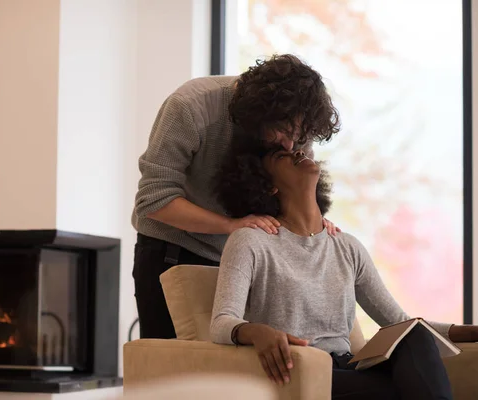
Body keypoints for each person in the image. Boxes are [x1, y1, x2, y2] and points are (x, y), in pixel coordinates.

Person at [210, 134, 478, 399]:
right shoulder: (250, 241)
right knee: (405, 390)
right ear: (268, 185)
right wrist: (258, 331)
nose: (296, 151)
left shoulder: (346, 246)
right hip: (300, 370)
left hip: (348, 366)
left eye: (297, 148)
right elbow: (222, 322)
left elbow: (399, 323)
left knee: (413, 334)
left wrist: (474, 332)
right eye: (280, 156)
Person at [132, 54, 342, 339]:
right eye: (284, 132)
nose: (291, 145)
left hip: (241, 259)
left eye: (300, 136)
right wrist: (231, 226)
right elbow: (153, 200)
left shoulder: (296, 126)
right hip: (172, 252)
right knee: (169, 373)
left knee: (230, 374)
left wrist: (317, 226)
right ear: (260, 114)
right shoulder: (191, 107)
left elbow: (296, 194)